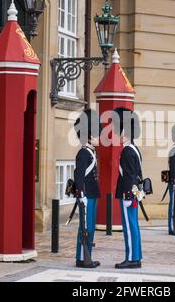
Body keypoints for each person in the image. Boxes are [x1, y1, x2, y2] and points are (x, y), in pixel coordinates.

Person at [113, 107, 143, 269]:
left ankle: (131, 258)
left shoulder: (126, 151)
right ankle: (136, 256)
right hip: (133, 194)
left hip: (128, 195)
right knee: (134, 225)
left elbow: (129, 176)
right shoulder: (134, 149)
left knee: (129, 227)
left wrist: (127, 196)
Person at [73, 109, 101, 268]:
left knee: (90, 227)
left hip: (92, 194)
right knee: (85, 227)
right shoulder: (83, 153)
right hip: (86, 195)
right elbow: (79, 176)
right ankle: (82, 257)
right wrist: (81, 194)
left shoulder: (90, 151)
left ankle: (87, 255)